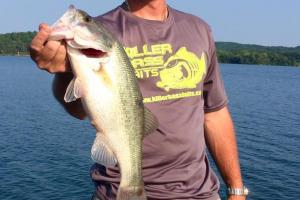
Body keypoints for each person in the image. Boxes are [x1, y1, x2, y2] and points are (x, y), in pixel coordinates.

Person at [30, 0, 248, 199]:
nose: (83, 21)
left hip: (199, 193)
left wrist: (236, 188)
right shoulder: (105, 29)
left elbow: (214, 113)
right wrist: (61, 73)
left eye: (85, 19)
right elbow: (78, 110)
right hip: (116, 191)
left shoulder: (199, 29)